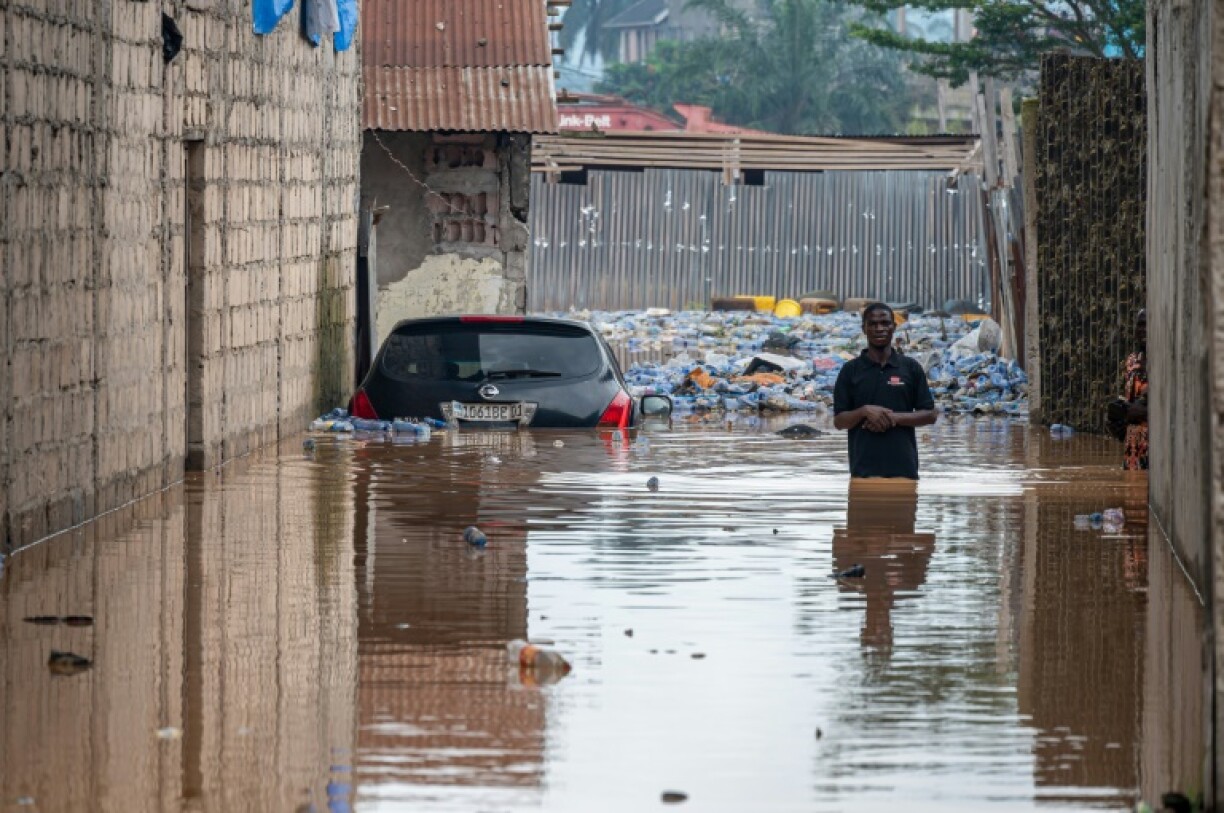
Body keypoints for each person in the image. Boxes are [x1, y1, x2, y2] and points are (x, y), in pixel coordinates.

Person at [833, 303, 938, 479]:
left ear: (894, 327)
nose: (879, 329)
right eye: (872, 324)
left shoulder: (910, 368)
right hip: (863, 474)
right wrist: (864, 412)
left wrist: (892, 418)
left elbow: (930, 415)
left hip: (905, 473)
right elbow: (839, 422)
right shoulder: (850, 371)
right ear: (864, 329)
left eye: (885, 323)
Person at [1120, 308, 1148, 470]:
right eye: (1139, 325)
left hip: (1153, 443)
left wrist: (1144, 412)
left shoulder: (1162, 361)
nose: (1142, 329)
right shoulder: (1131, 361)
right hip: (1132, 445)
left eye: (1146, 324)